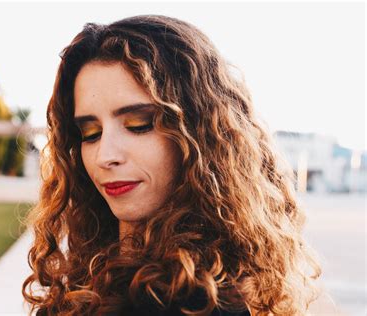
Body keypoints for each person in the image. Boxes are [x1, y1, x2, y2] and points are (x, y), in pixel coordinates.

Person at [23, 15, 321, 315]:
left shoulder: (196, 303)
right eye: (90, 133)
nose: (105, 155)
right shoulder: (99, 264)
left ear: (197, 135)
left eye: (139, 125)